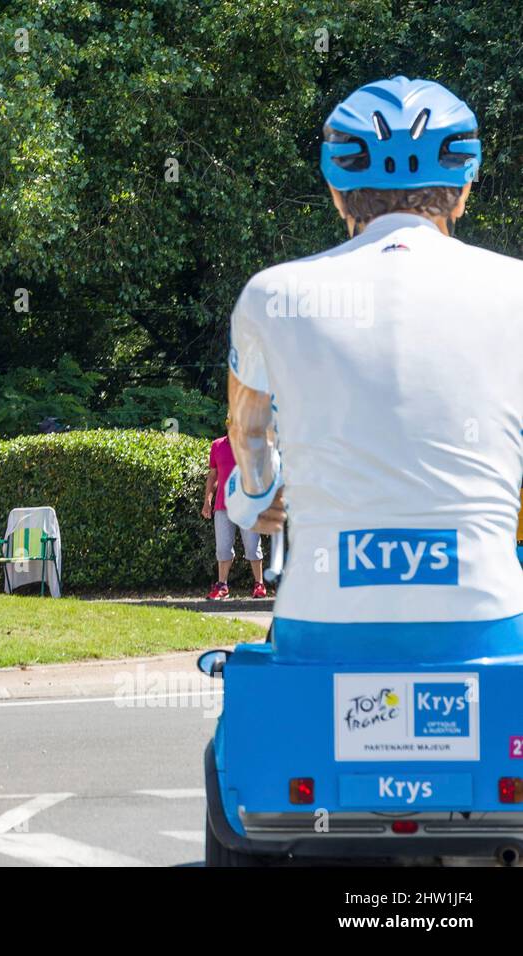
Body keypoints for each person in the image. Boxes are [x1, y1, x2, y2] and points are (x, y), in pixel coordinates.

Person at [223, 76, 523, 645]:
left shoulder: (272, 294)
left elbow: (249, 433)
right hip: (486, 620)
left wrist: (257, 495)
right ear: (462, 190)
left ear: (338, 191)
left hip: (326, 618)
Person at [202, 423, 266, 599]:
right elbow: (213, 476)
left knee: (253, 546)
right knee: (222, 548)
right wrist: (207, 501)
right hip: (223, 506)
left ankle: (259, 584)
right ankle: (222, 586)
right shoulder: (217, 445)